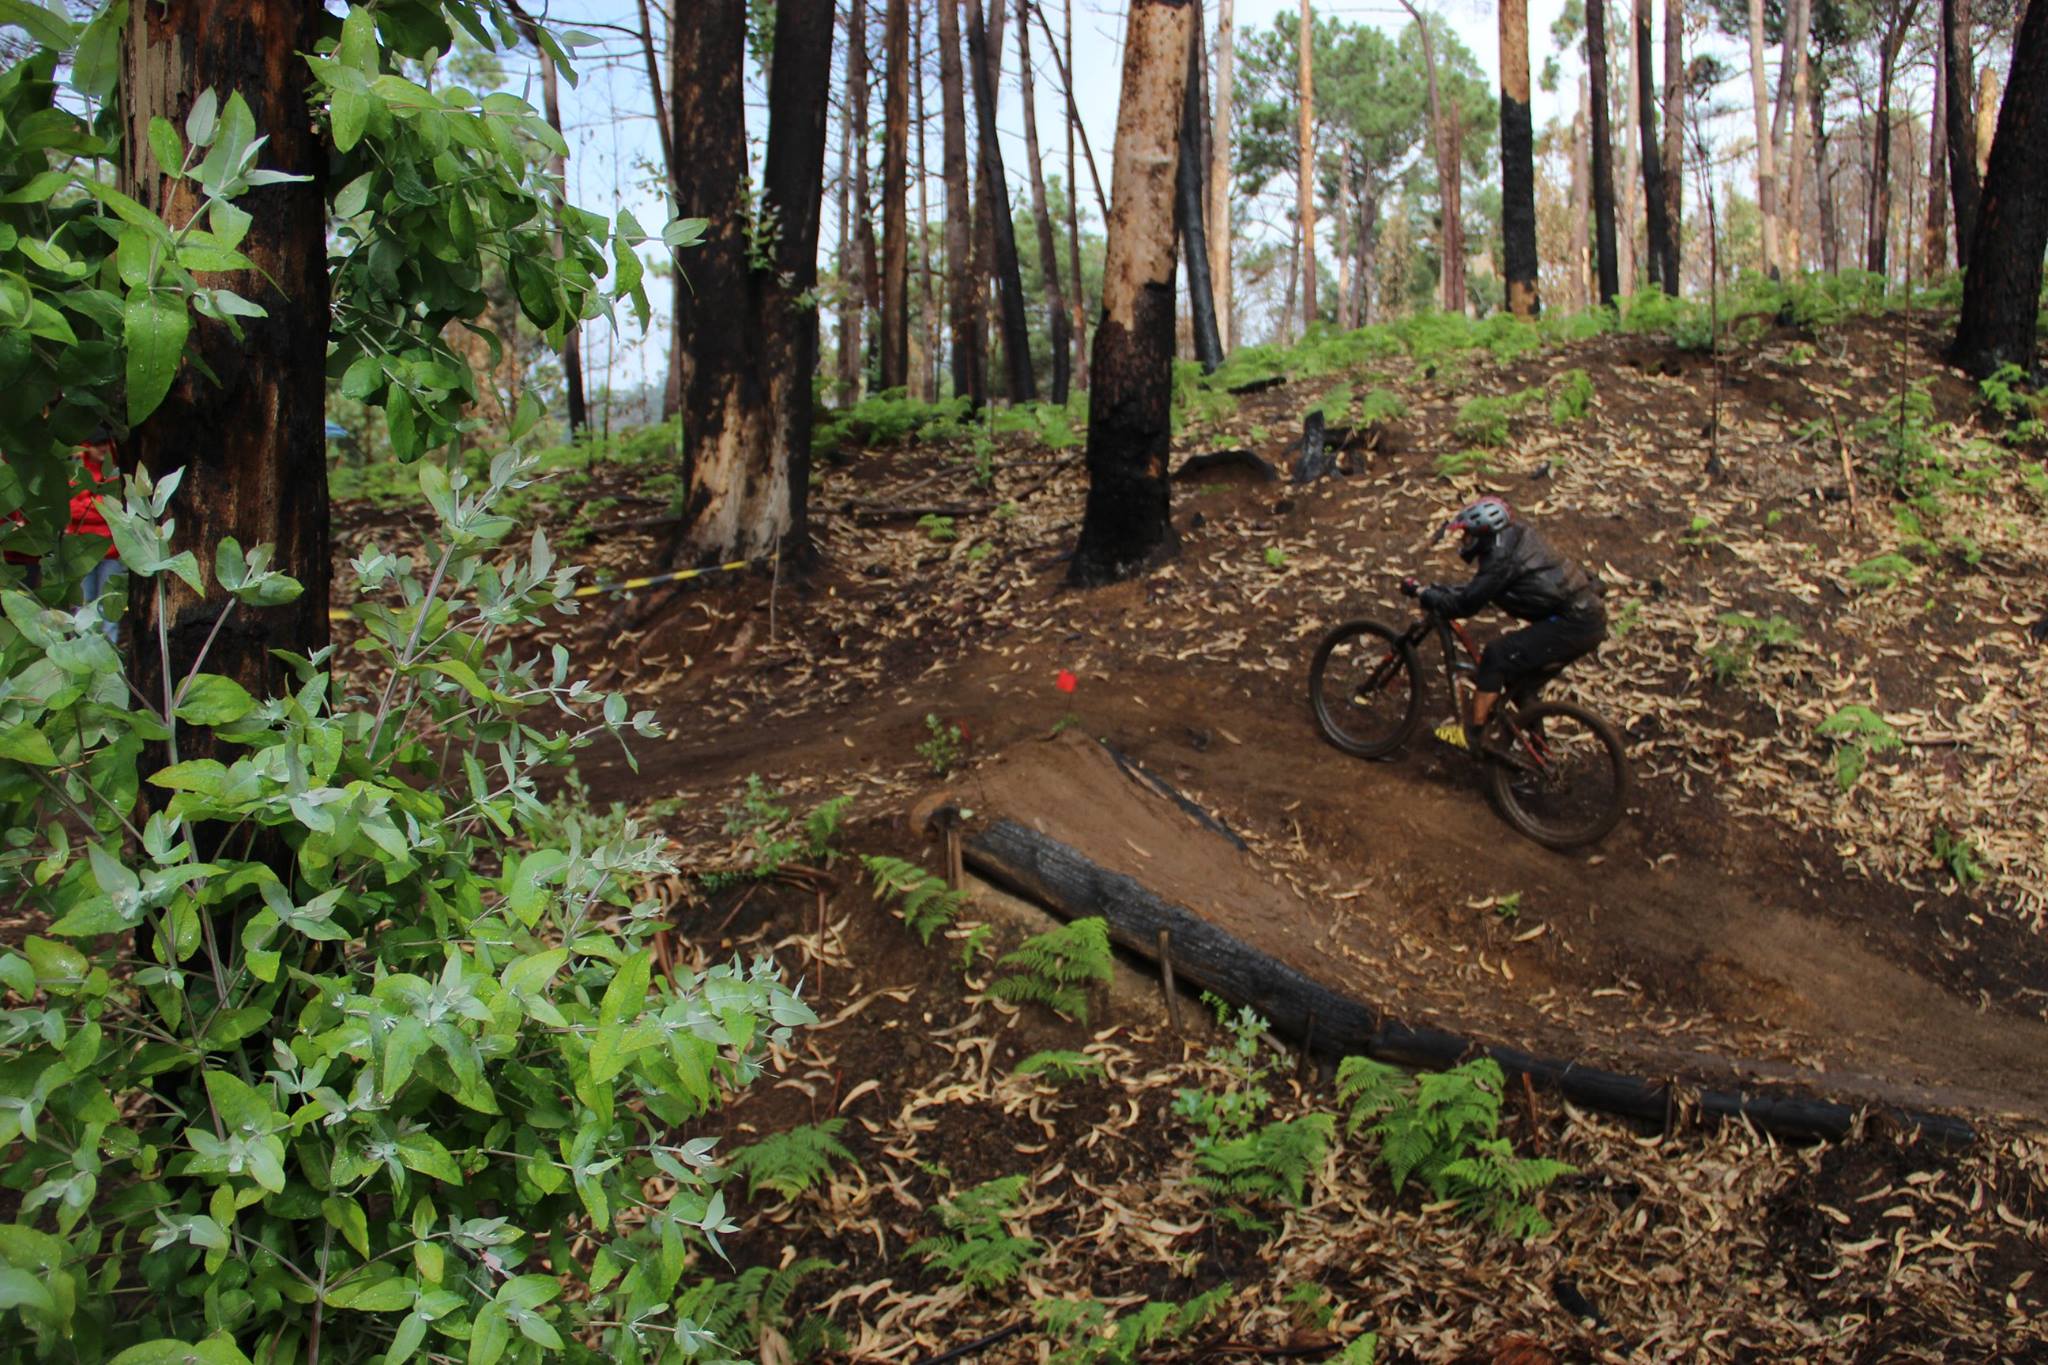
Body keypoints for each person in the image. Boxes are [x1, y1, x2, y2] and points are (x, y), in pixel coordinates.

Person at [1417, 496, 1605, 749]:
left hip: (1574, 623)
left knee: (1496, 656)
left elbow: (1465, 605)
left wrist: (1425, 594)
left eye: (1468, 536)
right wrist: (1444, 591)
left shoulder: (1500, 559)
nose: (1464, 541)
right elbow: (1482, 590)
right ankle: (1539, 749)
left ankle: (1472, 735)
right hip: (1585, 616)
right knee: (1520, 682)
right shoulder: (1515, 537)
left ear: (1483, 534)